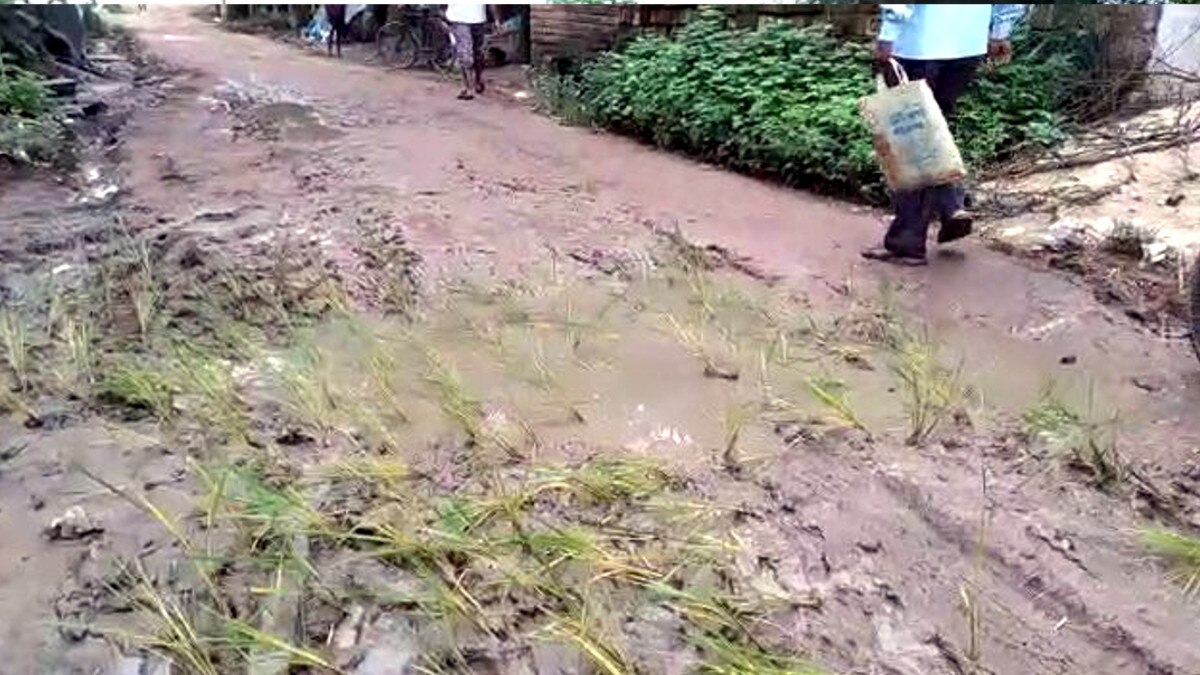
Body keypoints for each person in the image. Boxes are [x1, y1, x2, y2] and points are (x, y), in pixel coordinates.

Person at [862, 4, 1025, 266]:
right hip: (967, 47)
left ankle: (909, 244)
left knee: (913, 139)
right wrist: (1000, 31)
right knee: (934, 132)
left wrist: (888, 33)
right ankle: (951, 204)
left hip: (920, 44)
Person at [445, 4, 500, 101]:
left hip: (479, 20)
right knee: (466, 55)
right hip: (458, 19)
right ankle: (468, 87)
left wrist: (496, 19)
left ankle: (477, 81)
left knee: (478, 54)